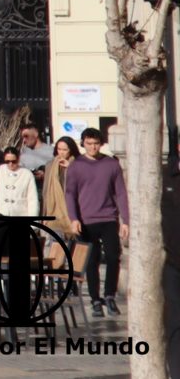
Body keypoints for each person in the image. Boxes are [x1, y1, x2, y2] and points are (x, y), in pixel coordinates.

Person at [63, 126, 129, 313]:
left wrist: (126, 219)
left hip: (108, 217)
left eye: (96, 144)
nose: (92, 147)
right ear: (83, 144)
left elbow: (121, 192)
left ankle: (109, 295)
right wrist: (74, 218)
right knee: (91, 261)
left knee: (112, 256)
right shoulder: (76, 166)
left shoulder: (111, 164)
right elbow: (70, 194)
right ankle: (95, 299)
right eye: (89, 144)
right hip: (86, 220)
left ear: (101, 144)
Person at [0, 145, 38, 217]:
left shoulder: (27, 174)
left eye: (14, 161)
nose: (10, 164)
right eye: (7, 161)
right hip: (0, 216)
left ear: (18, 159)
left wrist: (33, 224)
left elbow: (32, 200)